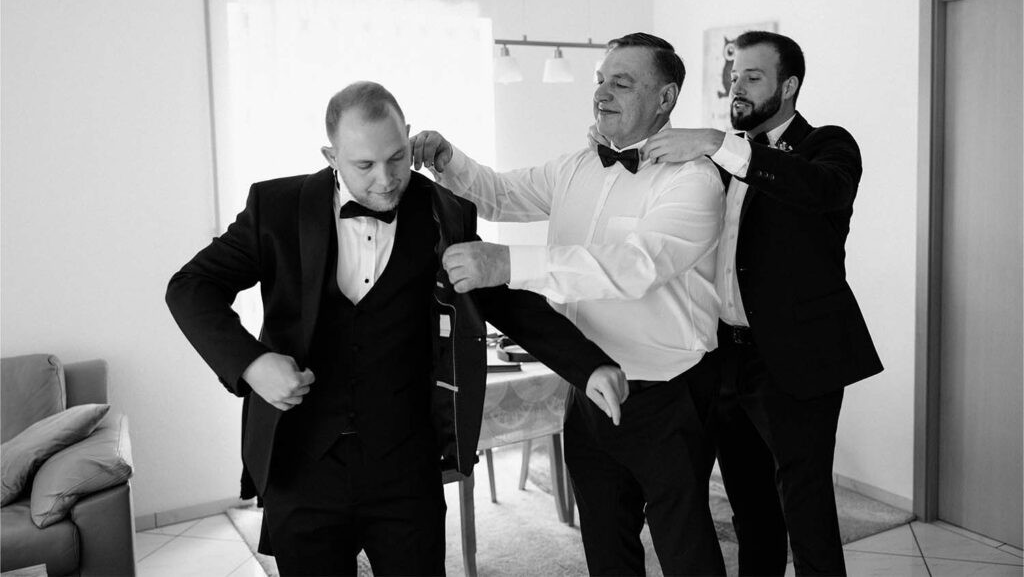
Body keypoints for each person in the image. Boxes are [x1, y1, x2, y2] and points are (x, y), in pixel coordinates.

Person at [165, 81, 628, 577]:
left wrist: (588, 365)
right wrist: (252, 364)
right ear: (331, 156)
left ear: (408, 138)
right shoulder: (275, 207)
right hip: (302, 464)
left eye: (397, 158)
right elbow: (190, 287)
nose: (386, 180)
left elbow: (503, 300)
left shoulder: (445, 213)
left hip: (405, 464)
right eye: (364, 165)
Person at [411, 33, 727, 576]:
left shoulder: (694, 181)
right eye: (600, 80)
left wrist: (509, 265)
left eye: (621, 83)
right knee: (605, 546)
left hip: (669, 397)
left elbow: (634, 266)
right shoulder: (576, 166)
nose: (602, 93)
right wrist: (448, 160)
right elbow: (501, 194)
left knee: (687, 552)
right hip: (587, 387)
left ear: (666, 97)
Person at [630, 31, 884, 576]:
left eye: (752, 76)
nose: (737, 87)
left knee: (806, 508)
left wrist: (718, 142)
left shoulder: (827, 146)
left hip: (796, 358)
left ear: (788, 86)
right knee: (750, 510)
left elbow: (823, 190)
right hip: (726, 356)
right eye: (733, 76)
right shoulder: (719, 160)